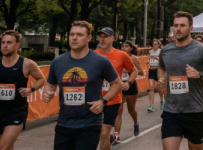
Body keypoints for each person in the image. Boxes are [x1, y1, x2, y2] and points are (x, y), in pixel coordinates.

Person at [44, 21, 122, 150]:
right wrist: (48, 92)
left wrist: (103, 101)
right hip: (64, 123)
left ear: (89, 38)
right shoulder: (58, 62)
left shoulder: (100, 61)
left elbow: (117, 84)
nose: (74, 38)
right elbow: (50, 85)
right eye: (72, 34)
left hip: (89, 124)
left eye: (79, 35)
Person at [156, 12, 203, 150]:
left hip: (195, 111)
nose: (178, 29)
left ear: (191, 28)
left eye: (182, 25)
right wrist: (161, 78)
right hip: (171, 111)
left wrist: (200, 74)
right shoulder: (165, 50)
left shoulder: (201, 50)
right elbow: (162, 68)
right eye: (175, 25)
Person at [0, 30, 46, 150]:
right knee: (7, 147)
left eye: (9, 42)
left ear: (17, 45)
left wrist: (31, 89)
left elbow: (41, 79)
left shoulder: (27, 64)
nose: (5, 45)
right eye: (3, 42)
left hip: (17, 111)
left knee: (3, 147)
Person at [95, 27, 138, 148]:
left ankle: (110, 135)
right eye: (101, 37)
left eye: (106, 37)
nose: (102, 39)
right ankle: (111, 136)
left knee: (104, 132)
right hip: (95, 99)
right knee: (99, 134)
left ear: (113, 39)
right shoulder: (93, 55)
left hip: (113, 99)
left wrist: (128, 83)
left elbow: (134, 70)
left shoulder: (121, 55)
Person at [117, 41, 143, 141]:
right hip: (120, 85)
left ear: (131, 48)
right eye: (122, 46)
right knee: (119, 111)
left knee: (131, 110)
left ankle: (136, 123)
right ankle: (116, 136)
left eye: (126, 46)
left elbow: (140, 71)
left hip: (130, 85)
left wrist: (131, 70)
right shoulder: (119, 57)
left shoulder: (133, 58)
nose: (124, 48)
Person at [148, 39, 164, 112]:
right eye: (154, 44)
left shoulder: (160, 51)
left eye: (156, 44)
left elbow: (162, 61)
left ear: (159, 45)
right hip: (151, 69)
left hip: (158, 70)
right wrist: (148, 61)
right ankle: (151, 105)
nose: (155, 45)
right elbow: (149, 59)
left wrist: (157, 58)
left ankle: (161, 101)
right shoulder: (150, 52)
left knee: (159, 87)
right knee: (151, 87)